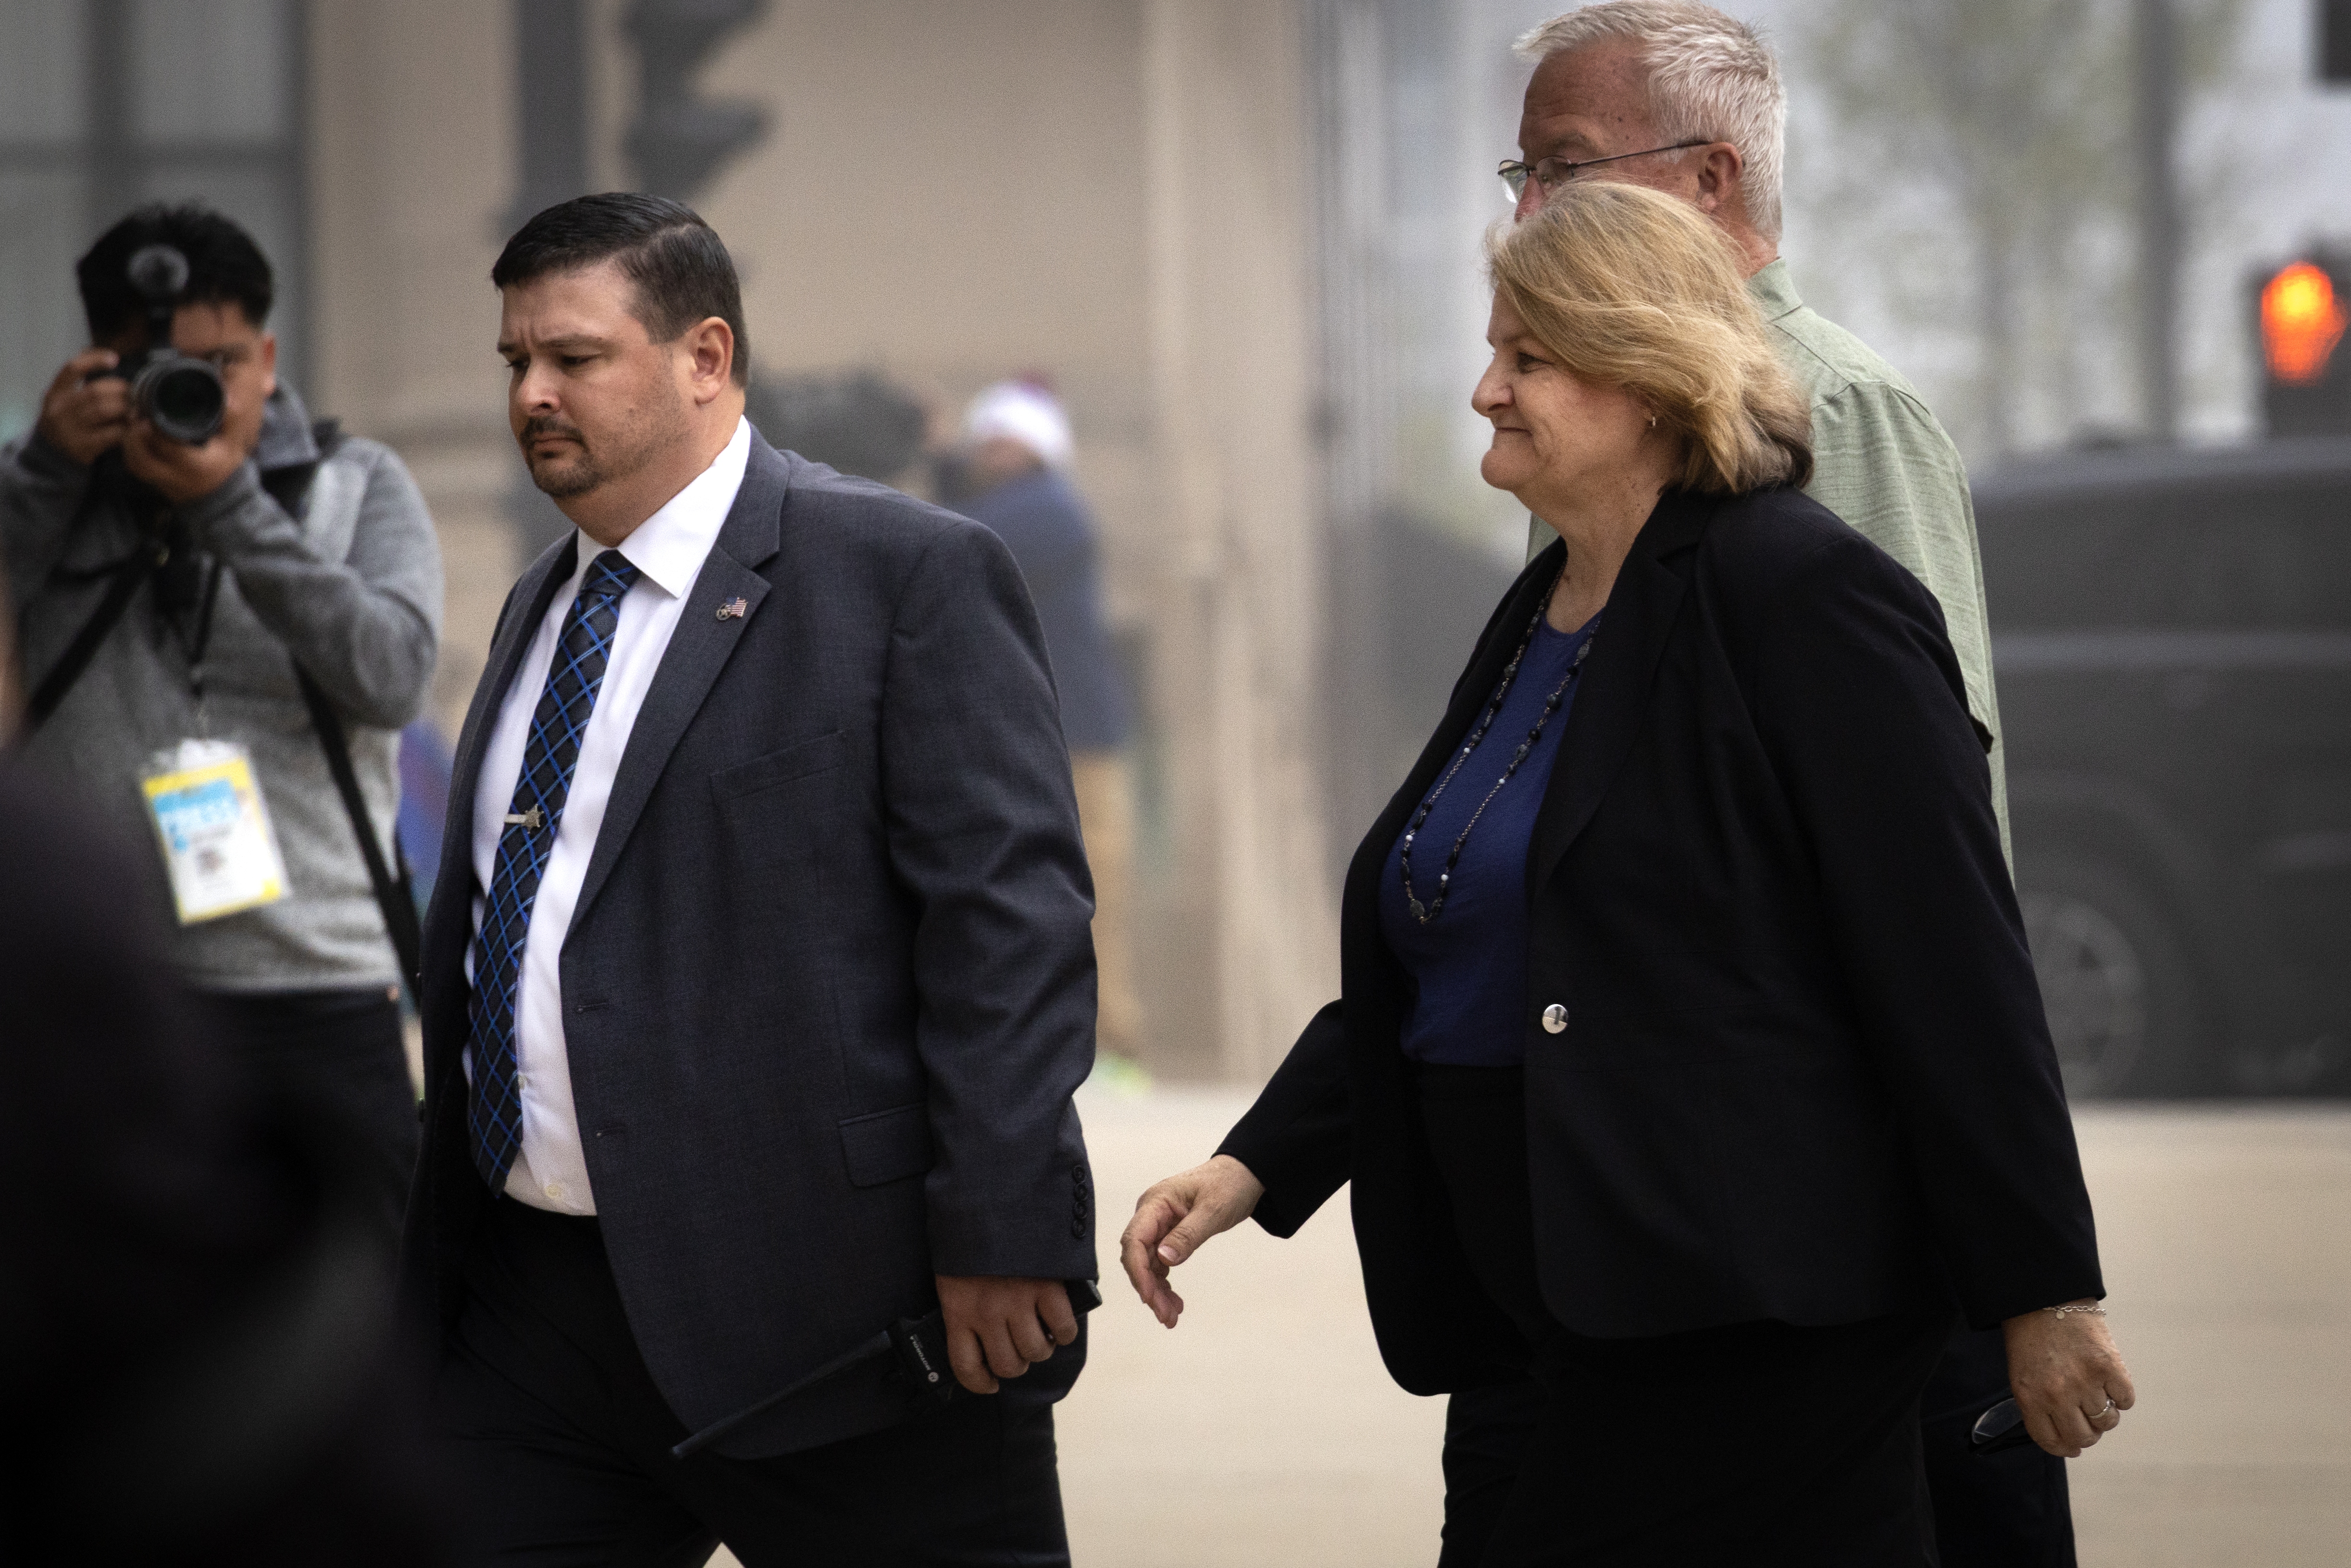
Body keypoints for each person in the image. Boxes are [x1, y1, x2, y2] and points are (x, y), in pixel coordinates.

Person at [1120, 182, 2133, 1566]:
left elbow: (1951, 962)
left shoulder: (1802, 594)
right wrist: (1258, 1159)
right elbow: (1469, 935)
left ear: (1652, 376)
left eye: (1527, 357)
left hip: (1746, 1318)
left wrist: (2040, 1287)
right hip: (1547, 1307)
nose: (1485, 391)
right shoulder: (1546, 605)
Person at [402, 194, 1100, 1565]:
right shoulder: (542, 602)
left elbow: (1009, 926)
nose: (532, 394)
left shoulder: (906, 572)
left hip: (834, 1312)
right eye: (513, 363)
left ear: (705, 356)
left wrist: (1002, 1217)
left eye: (575, 358)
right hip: (535, 1316)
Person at [1502, 8, 2063, 1559]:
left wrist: (1996, 1229)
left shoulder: (1826, 409)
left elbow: (1918, 834)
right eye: (1518, 172)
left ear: (1707, 176)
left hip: (1832, 1197)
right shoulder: (1598, 425)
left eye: (1561, 168)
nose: (1526, 213)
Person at [1, 203, 443, 1258]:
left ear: (269, 353)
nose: (193, 393)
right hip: (107, 996)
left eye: (221, 362)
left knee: (353, 1326)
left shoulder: (357, 483)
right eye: (156, 367)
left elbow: (390, 674)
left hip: (322, 991)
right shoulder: (49, 496)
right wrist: (47, 475)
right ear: (98, 363)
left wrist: (233, 508)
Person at [947, 380, 1142, 1064]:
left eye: (1008, 441)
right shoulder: (1008, 507)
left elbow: (966, 541)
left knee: (1094, 893)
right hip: (1036, 740)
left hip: (1079, 742)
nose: (993, 453)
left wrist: (939, 464)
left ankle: (1109, 1039)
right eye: (987, 441)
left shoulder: (1049, 510)